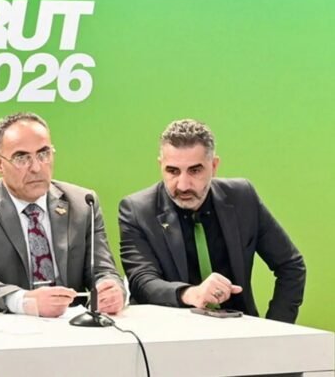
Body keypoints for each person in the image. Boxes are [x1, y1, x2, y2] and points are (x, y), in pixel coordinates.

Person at [119, 119, 305, 323]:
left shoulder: (242, 197)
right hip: (169, 333)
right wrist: (190, 294)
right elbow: (142, 282)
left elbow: (290, 265)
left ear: (214, 166)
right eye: (172, 171)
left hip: (239, 330)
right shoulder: (137, 210)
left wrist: (274, 330)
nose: (183, 185)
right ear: (160, 166)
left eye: (195, 170)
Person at [0, 112, 125, 318]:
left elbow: (103, 270)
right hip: (5, 327)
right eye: (22, 158)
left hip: (71, 326)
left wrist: (110, 290)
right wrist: (26, 302)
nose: (36, 167)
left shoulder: (83, 203)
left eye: (44, 154)